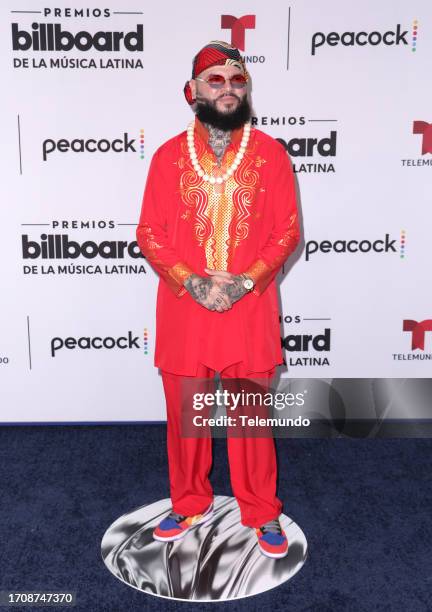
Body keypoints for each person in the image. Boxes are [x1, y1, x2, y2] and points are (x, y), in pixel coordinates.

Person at [136, 40, 300, 559]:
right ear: (193, 91)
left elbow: (286, 232)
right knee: (187, 417)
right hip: (187, 308)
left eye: (237, 80)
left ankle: (260, 509)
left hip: (249, 309)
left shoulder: (271, 154)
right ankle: (188, 501)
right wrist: (195, 281)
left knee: (251, 419)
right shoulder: (167, 156)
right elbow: (150, 233)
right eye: (216, 80)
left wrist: (244, 282)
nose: (228, 89)